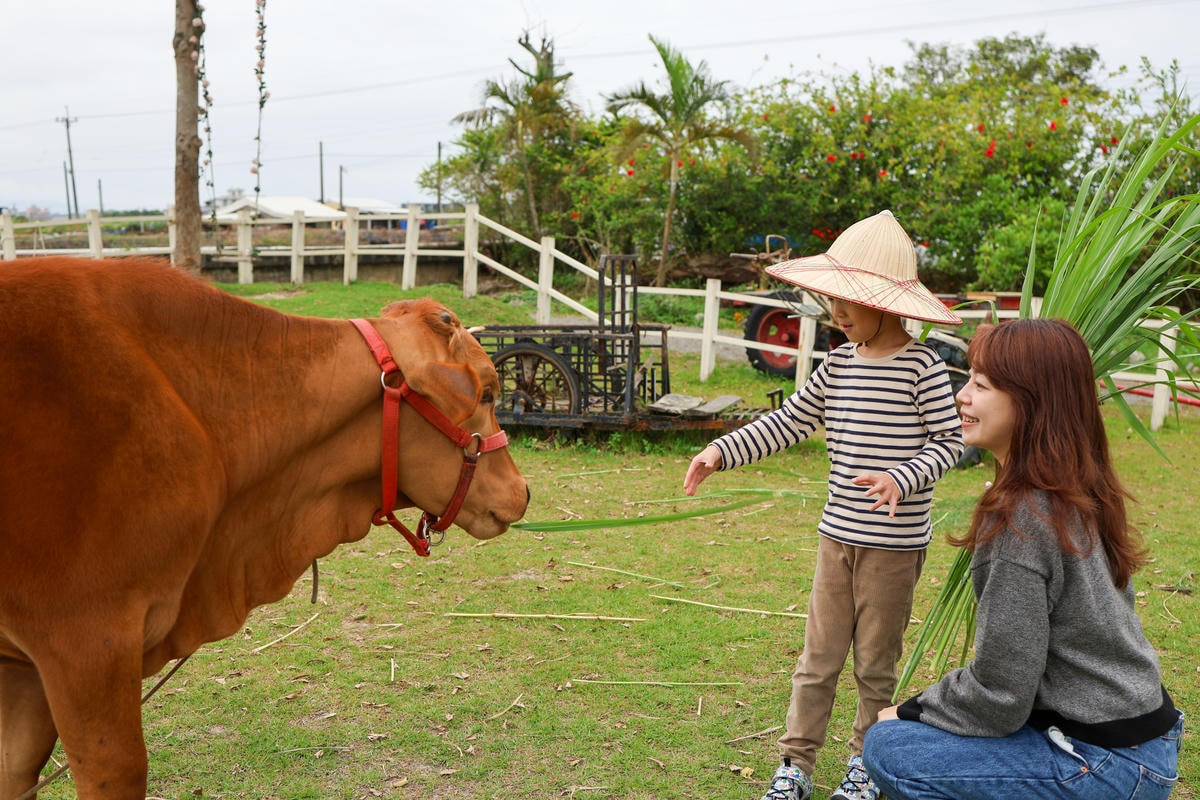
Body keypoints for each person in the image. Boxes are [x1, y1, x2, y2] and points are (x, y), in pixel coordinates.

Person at [684, 210, 965, 800]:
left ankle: (867, 762)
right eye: (833, 298)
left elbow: (950, 442)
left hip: (893, 548)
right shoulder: (837, 364)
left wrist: (901, 478)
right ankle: (795, 764)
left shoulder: (923, 366)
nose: (837, 311)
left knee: (875, 665)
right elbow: (790, 422)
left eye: (849, 300)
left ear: (886, 303)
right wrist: (720, 451)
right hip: (835, 539)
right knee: (818, 659)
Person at [862, 318, 1183, 800]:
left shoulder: (1022, 520)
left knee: (889, 747)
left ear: (1032, 402)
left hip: (1103, 762)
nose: (961, 396)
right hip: (1145, 739)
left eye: (981, 385)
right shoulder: (1079, 488)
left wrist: (910, 710)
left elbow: (1001, 695)